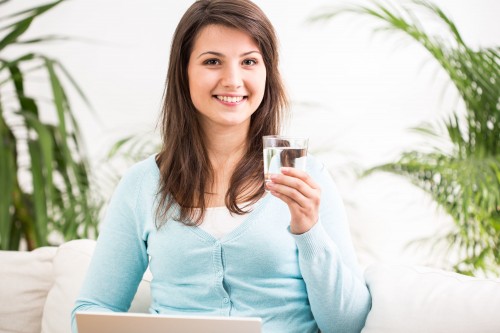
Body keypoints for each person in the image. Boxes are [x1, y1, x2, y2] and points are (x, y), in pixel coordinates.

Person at [71, 0, 372, 332]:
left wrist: (309, 230)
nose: (232, 80)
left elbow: (348, 325)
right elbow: (92, 309)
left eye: (249, 62)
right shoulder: (143, 184)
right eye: (212, 61)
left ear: (267, 73)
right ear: (183, 71)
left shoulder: (305, 176)